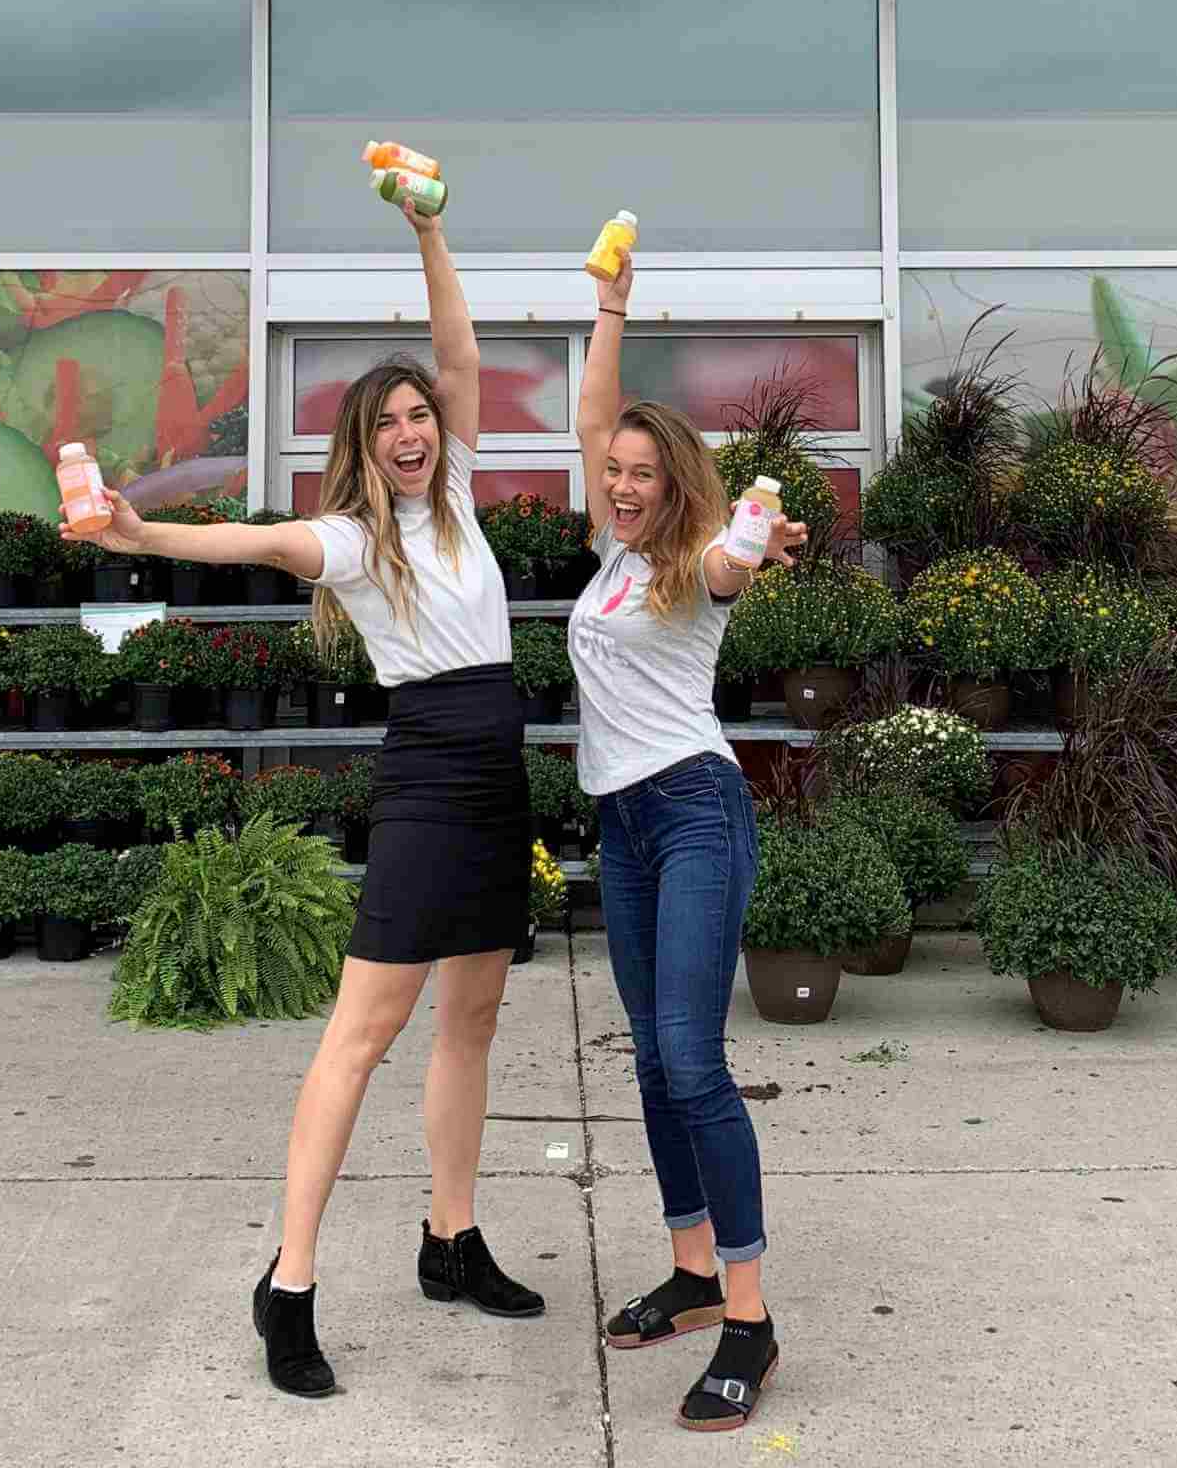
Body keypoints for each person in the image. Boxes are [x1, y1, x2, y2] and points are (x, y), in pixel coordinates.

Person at [83, 196, 542, 1400]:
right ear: (363, 440)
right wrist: (140, 529)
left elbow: (459, 354)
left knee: (476, 1020)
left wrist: (432, 232)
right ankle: (288, 1285)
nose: (413, 428)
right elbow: (243, 542)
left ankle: (451, 1241)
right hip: (431, 774)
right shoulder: (348, 537)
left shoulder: (460, 498)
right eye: (388, 420)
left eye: (420, 417)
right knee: (363, 1035)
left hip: (500, 770)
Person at [567, 246, 803, 1434]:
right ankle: (695, 1271)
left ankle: (752, 1323)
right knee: (653, 1063)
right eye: (611, 470)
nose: (620, 484)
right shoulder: (609, 556)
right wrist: (609, 309)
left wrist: (751, 532)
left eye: (642, 474)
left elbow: (726, 564)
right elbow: (595, 408)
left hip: (696, 813)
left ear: (676, 486)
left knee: (695, 1060)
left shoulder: (690, 564)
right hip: (622, 826)